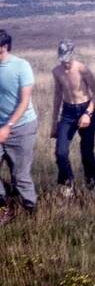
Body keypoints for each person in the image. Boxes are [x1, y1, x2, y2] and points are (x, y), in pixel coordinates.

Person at [51, 40, 95, 194]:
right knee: (61, 152)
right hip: (68, 112)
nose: (65, 63)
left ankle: (93, 186)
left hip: (85, 109)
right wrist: (54, 122)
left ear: (73, 54)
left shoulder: (82, 69)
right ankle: (68, 184)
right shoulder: (56, 71)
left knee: (86, 152)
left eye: (68, 58)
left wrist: (88, 113)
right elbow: (58, 94)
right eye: (62, 59)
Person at [0, 29, 38, 224]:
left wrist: (8, 126)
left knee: (20, 175)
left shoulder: (21, 66)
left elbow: (24, 101)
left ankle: (31, 211)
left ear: (4, 46)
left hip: (21, 127)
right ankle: (4, 208)